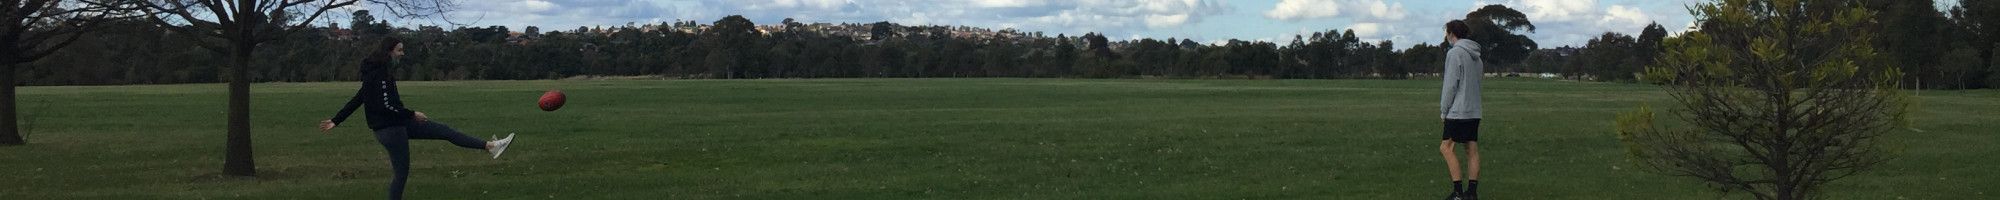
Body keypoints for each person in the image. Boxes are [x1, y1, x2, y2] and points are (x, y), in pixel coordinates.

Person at [319, 37, 516, 200]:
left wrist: (336, 120)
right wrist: (413, 114)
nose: (402, 53)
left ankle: (491, 146)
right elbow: (386, 106)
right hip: (390, 130)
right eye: (399, 50)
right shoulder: (379, 75)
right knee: (401, 174)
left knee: (444, 131)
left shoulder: (378, 72)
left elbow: (358, 98)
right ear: (389, 51)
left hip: (397, 124)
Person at [1438, 19, 1484, 200]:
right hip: (1474, 110)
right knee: (1471, 149)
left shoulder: (1454, 53)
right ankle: (1471, 193)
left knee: (1446, 147)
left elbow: (1450, 85)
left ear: (1451, 33)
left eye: (1447, 32)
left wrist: (1444, 110)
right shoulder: (1477, 57)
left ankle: (1457, 192)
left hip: (1458, 112)